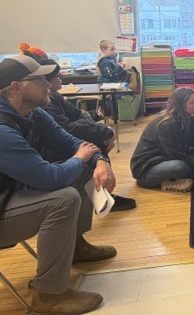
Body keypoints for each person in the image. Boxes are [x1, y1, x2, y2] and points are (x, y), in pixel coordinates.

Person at [0, 55, 117, 314]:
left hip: (11, 195)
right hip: (4, 205)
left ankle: (75, 247)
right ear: (16, 87)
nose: (49, 85)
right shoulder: (3, 130)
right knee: (63, 199)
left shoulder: (33, 113)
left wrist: (99, 162)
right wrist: (81, 157)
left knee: (84, 170)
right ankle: (49, 296)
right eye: (40, 80)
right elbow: (49, 178)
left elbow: (72, 143)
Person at [37, 57, 137, 211]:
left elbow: (79, 115)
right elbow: (70, 129)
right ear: (47, 80)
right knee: (95, 145)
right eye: (58, 76)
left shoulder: (55, 96)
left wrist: (104, 132)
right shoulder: (45, 103)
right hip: (51, 149)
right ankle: (100, 198)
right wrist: (106, 131)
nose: (61, 78)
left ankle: (102, 196)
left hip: (64, 140)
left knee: (97, 141)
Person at [130, 88, 194, 192]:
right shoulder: (167, 124)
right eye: (193, 102)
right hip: (146, 169)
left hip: (163, 159)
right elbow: (176, 155)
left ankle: (174, 181)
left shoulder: (187, 117)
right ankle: (167, 181)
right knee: (180, 166)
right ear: (181, 105)